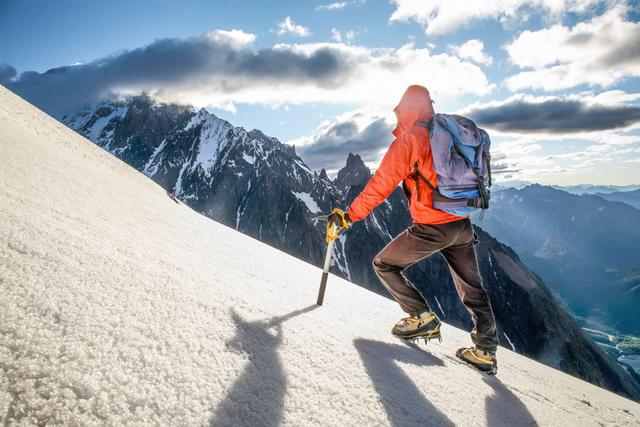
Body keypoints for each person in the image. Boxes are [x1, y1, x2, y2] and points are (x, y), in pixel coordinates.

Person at [327, 85, 499, 374]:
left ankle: (420, 316)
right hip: (462, 222)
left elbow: (380, 185)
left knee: (384, 264)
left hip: (433, 226)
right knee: (473, 288)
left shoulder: (412, 140)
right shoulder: (447, 133)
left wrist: (348, 217)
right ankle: (485, 351)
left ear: (406, 109)